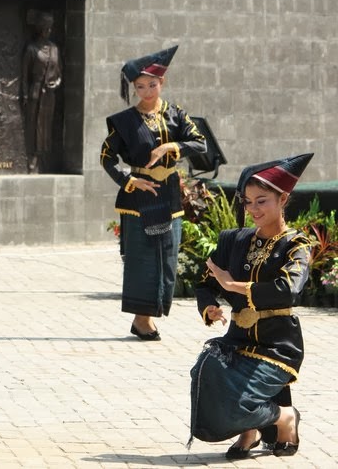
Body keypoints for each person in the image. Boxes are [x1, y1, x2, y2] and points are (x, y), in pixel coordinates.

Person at [189, 153, 313, 459]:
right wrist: (209, 308)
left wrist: (234, 286)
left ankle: (283, 418)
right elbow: (205, 282)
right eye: (247, 202)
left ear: (283, 199)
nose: (253, 209)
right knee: (206, 372)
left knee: (236, 399)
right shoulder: (234, 240)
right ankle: (251, 429)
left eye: (262, 201)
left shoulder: (296, 244)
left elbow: (288, 290)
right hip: (237, 340)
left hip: (277, 345)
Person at [100, 45, 206, 340]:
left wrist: (172, 146)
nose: (147, 90)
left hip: (169, 195)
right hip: (138, 196)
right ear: (134, 88)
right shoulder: (123, 122)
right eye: (140, 86)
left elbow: (200, 143)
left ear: (163, 83)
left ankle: (149, 315)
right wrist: (130, 181)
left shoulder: (175, 114)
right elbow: (107, 158)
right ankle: (141, 319)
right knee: (143, 258)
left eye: (152, 84)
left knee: (167, 258)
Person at [21, 11, 61, 174]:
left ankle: (44, 160)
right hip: (35, 93)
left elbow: (59, 74)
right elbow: (24, 75)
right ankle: (32, 160)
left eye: (50, 28)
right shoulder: (31, 49)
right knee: (33, 127)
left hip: (49, 95)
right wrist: (24, 94)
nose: (48, 31)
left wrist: (56, 83)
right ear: (39, 29)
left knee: (46, 127)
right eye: (45, 28)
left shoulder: (54, 49)